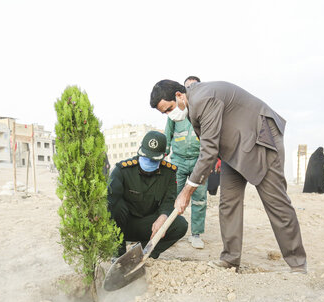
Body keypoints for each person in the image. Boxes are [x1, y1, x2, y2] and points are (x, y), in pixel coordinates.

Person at [150, 80, 307, 273]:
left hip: (262, 137)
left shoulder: (203, 99)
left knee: (275, 202)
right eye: (164, 113)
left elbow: (208, 150)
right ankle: (230, 259)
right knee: (228, 203)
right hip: (234, 149)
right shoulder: (191, 106)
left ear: (179, 95)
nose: (169, 115)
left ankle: (297, 263)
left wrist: (187, 190)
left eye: (169, 109)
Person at [107, 131, 188, 259]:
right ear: (140, 151)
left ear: (162, 157)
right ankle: (119, 255)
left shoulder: (169, 173)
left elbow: (169, 200)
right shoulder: (123, 170)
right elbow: (110, 199)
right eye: (146, 157)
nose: (148, 162)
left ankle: (142, 253)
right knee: (115, 206)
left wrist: (163, 216)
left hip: (149, 225)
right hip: (123, 225)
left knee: (180, 225)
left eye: (153, 159)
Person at [164, 75, 206, 249]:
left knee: (199, 199)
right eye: (188, 87)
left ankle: (196, 234)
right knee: (172, 196)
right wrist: (163, 155)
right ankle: (169, 230)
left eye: (195, 86)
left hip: (199, 161)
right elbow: (167, 135)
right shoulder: (175, 112)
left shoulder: (203, 110)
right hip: (178, 161)